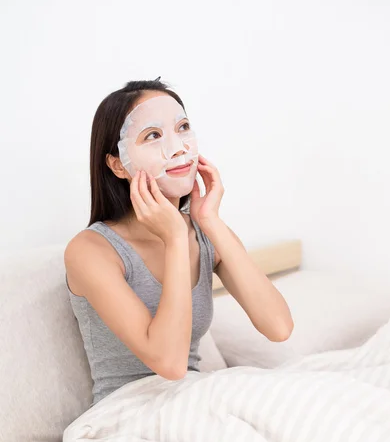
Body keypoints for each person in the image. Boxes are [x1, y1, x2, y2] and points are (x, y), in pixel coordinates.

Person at [65, 78, 294, 406]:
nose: (178, 148)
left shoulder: (204, 233)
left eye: (183, 127)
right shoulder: (91, 250)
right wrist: (173, 238)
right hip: (127, 415)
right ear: (117, 164)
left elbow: (278, 327)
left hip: (194, 400)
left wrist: (210, 221)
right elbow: (170, 364)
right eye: (153, 135)